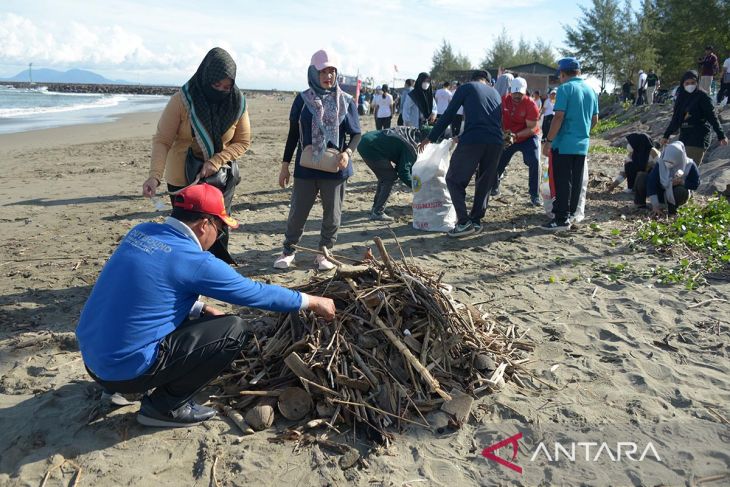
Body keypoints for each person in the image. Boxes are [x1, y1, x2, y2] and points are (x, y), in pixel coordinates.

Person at [76, 183, 336, 427]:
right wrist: (312, 301)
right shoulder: (195, 260)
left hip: (92, 361)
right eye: (220, 228)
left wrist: (198, 309)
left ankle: (118, 389)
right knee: (234, 329)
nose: (219, 235)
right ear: (204, 225)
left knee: (192, 319)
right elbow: (255, 293)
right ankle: (166, 407)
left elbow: (145, 290)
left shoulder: (141, 233)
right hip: (125, 370)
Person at [144, 47, 250, 265]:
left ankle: (214, 272)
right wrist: (154, 176)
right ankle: (183, 273)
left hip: (218, 179)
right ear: (205, 77)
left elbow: (242, 141)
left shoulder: (237, 102)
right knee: (187, 233)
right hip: (184, 179)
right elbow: (162, 140)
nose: (221, 90)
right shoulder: (183, 100)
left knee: (217, 230)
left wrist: (216, 161)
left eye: (226, 86)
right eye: (216, 85)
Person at [275, 49, 362, 271]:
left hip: (335, 167)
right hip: (306, 166)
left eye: (332, 71)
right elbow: (293, 134)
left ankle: (324, 253)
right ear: (313, 72)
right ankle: (288, 250)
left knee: (332, 215)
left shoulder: (345, 100)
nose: (328, 75)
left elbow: (356, 134)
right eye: (323, 71)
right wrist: (284, 166)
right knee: (297, 213)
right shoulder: (302, 99)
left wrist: (347, 153)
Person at [417, 70, 503, 238]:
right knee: (484, 182)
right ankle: (476, 221)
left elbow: (449, 114)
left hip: (473, 140)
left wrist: (430, 138)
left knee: (453, 179)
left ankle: (463, 223)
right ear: (488, 81)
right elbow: (494, 121)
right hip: (496, 142)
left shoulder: (467, 88)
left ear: (473, 79)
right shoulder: (495, 93)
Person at [541, 57, 599, 231]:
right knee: (575, 180)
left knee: (562, 181)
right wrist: (583, 132)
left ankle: (560, 219)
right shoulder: (591, 90)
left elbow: (558, 117)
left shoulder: (565, 89)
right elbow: (595, 119)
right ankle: (571, 214)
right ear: (578, 72)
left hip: (564, 143)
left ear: (563, 74)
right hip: (582, 145)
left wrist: (549, 141)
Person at [358, 126, 429, 221]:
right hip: (370, 147)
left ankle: (375, 207)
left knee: (384, 176)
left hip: (366, 139)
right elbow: (403, 172)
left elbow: (402, 164)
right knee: (389, 178)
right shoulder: (411, 145)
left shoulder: (411, 133)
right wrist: (416, 188)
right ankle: (377, 212)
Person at [491, 77, 542, 206]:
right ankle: (494, 187)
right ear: (510, 91)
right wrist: (504, 134)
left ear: (525, 92)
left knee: (535, 162)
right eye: (515, 92)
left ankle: (534, 195)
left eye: (520, 93)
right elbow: (499, 119)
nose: (517, 95)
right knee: (498, 161)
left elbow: (531, 128)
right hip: (509, 136)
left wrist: (516, 135)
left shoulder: (531, 105)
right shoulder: (503, 101)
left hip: (528, 137)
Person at [661, 70, 727, 164]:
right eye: (687, 83)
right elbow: (676, 119)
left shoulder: (702, 97)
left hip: (698, 138)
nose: (690, 85)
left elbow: (712, 117)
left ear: (697, 82)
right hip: (684, 138)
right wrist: (666, 136)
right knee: (681, 170)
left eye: (693, 83)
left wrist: (721, 135)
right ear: (683, 84)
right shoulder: (681, 98)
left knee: (689, 169)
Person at [634, 141, 699, 216]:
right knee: (642, 177)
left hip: (675, 195)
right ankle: (640, 204)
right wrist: (655, 206)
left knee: (681, 191)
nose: (668, 164)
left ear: (679, 158)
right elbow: (651, 182)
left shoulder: (690, 165)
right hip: (660, 193)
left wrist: (682, 182)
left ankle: (673, 209)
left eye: (671, 162)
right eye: (666, 161)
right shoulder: (661, 163)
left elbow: (695, 184)